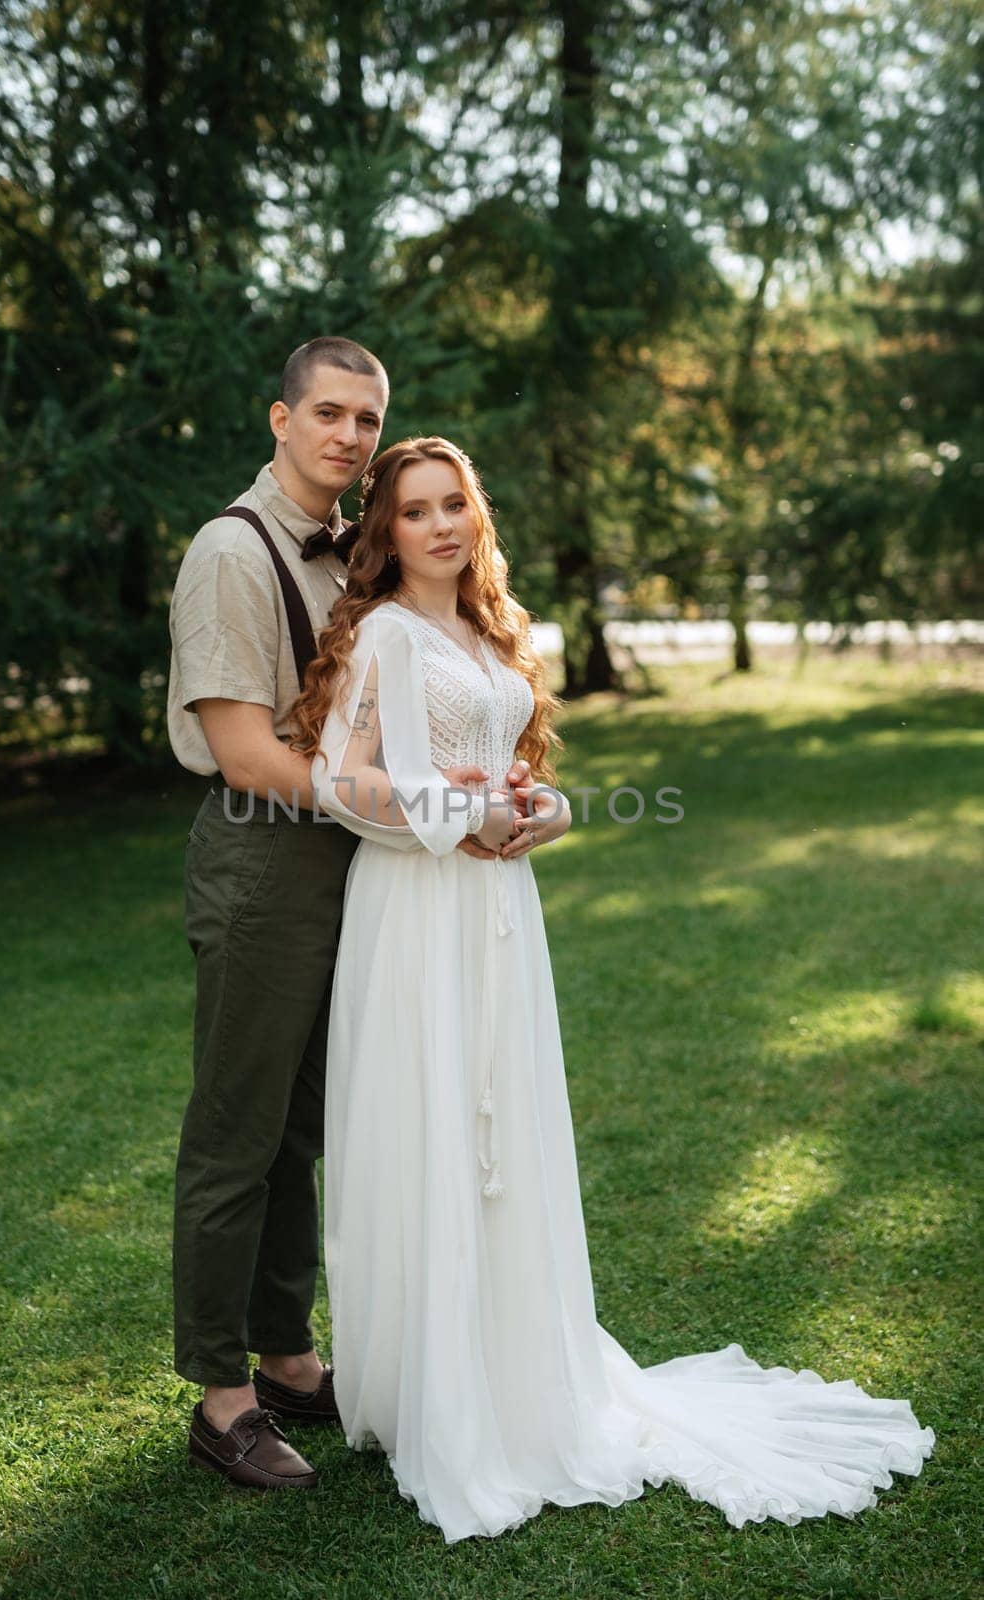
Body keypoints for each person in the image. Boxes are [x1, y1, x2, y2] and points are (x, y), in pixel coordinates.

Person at [290, 435, 935, 1543]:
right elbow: (334, 778)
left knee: (510, 1131)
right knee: (435, 1121)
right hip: (416, 913)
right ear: (385, 531)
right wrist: (460, 815)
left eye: (455, 505)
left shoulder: (488, 631)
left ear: (474, 517)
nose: (441, 525)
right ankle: (433, 1388)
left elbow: (520, 770)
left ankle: (521, 1369)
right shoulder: (384, 635)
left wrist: (546, 810)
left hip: (500, 913)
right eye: (414, 511)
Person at [166, 343, 533, 1491]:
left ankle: (287, 1358)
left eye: (367, 418)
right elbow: (244, 750)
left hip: (362, 868)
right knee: (238, 1131)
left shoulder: (353, 558)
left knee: (302, 1132)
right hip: (266, 865)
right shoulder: (235, 550)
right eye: (329, 412)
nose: (350, 434)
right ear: (282, 417)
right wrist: (436, 812)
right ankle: (221, 1397)